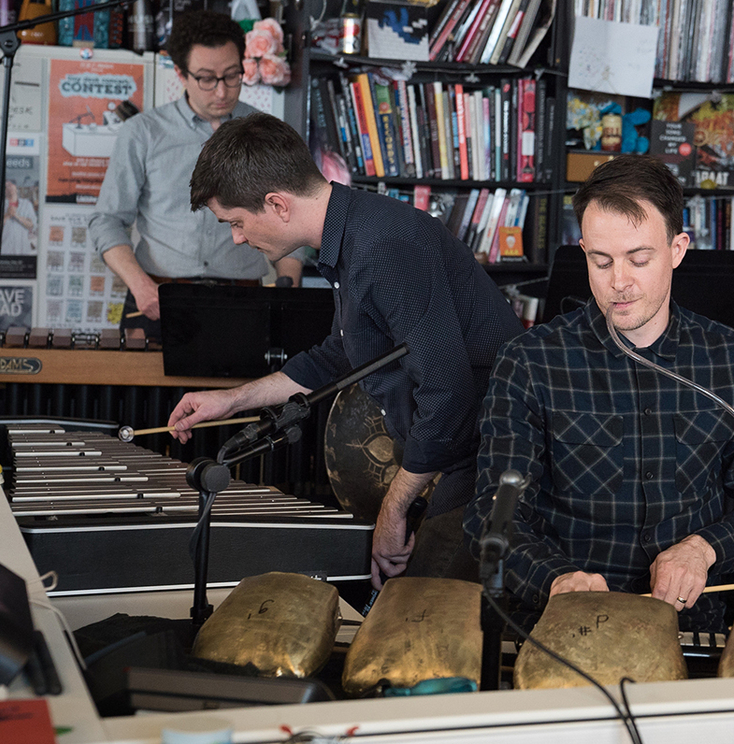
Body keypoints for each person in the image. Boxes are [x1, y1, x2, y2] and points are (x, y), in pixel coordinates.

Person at [167, 113, 524, 584]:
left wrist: (394, 508)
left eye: (236, 222)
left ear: (277, 204)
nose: (237, 237)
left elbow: (448, 393)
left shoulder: (382, 246)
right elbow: (339, 357)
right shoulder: (354, 233)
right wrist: (233, 400)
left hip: (488, 461)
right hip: (457, 455)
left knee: (421, 613)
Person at [465, 155, 734, 631]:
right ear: (583, 251)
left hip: (688, 626)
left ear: (677, 249)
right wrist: (555, 579)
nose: (618, 282)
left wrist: (703, 550)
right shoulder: (530, 361)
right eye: (601, 261)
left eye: (639, 259)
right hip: (563, 625)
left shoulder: (728, 357)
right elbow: (491, 517)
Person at [89, 9, 303, 338]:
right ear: (180, 72)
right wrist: (140, 285)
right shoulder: (143, 132)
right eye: (206, 78)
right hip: (158, 297)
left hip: (244, 299)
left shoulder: (266, 133)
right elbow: (106, 221)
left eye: (232, 76)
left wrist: (288, 281)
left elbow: (292, 216)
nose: (221, 92)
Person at [0, 180, 36, 256]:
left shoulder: (27, 204)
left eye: (11, 185)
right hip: (5, 250)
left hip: (23, 250)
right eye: (6, 186)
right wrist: (7, 215)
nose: (9, 187)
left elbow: (31, 225)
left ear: (16, 187)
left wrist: (16, 215)